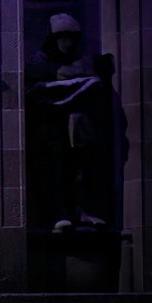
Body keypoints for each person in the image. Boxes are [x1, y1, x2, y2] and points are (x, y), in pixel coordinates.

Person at [24, 14, 112, 232]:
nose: (68, 43)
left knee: (79, 171)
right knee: (54, 172)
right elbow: (31, 94)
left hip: (76, 128)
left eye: (72, 38)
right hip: (50, 130)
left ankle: (79, 210)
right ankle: (57, 214)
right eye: (63, 37)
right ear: (52, 39)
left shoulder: (79, 63)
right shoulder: (37, 63)